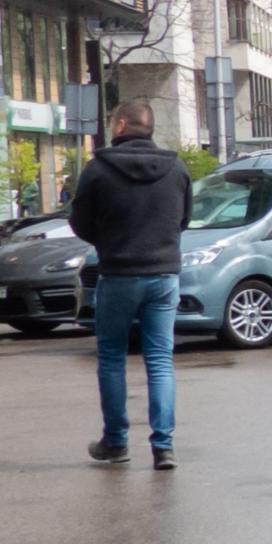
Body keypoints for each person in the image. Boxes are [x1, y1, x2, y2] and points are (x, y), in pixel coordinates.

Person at [65, 100, 192, 470]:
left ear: (120, 125)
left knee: (111, 358)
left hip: (118, 275)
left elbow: (80, 222)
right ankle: (164, 448)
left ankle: (117, 443)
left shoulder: (97, 170)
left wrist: (107, 243)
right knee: (160, 361)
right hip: (164, 277)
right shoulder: (177, 168)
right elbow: (183, 219)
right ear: (148, 127)